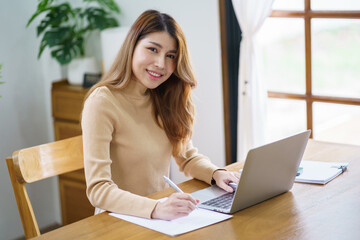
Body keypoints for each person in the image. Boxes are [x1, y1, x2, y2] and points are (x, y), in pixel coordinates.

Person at [81, 9, 240, 221]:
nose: (160, 64)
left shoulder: (164, 97)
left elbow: (187, 156)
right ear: (132, 46)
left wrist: (216, 174)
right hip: (118, 220)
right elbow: (98, 190)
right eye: (152, 49)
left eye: (170, 56)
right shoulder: (102, 102)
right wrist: (155, 208)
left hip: (159, 217)